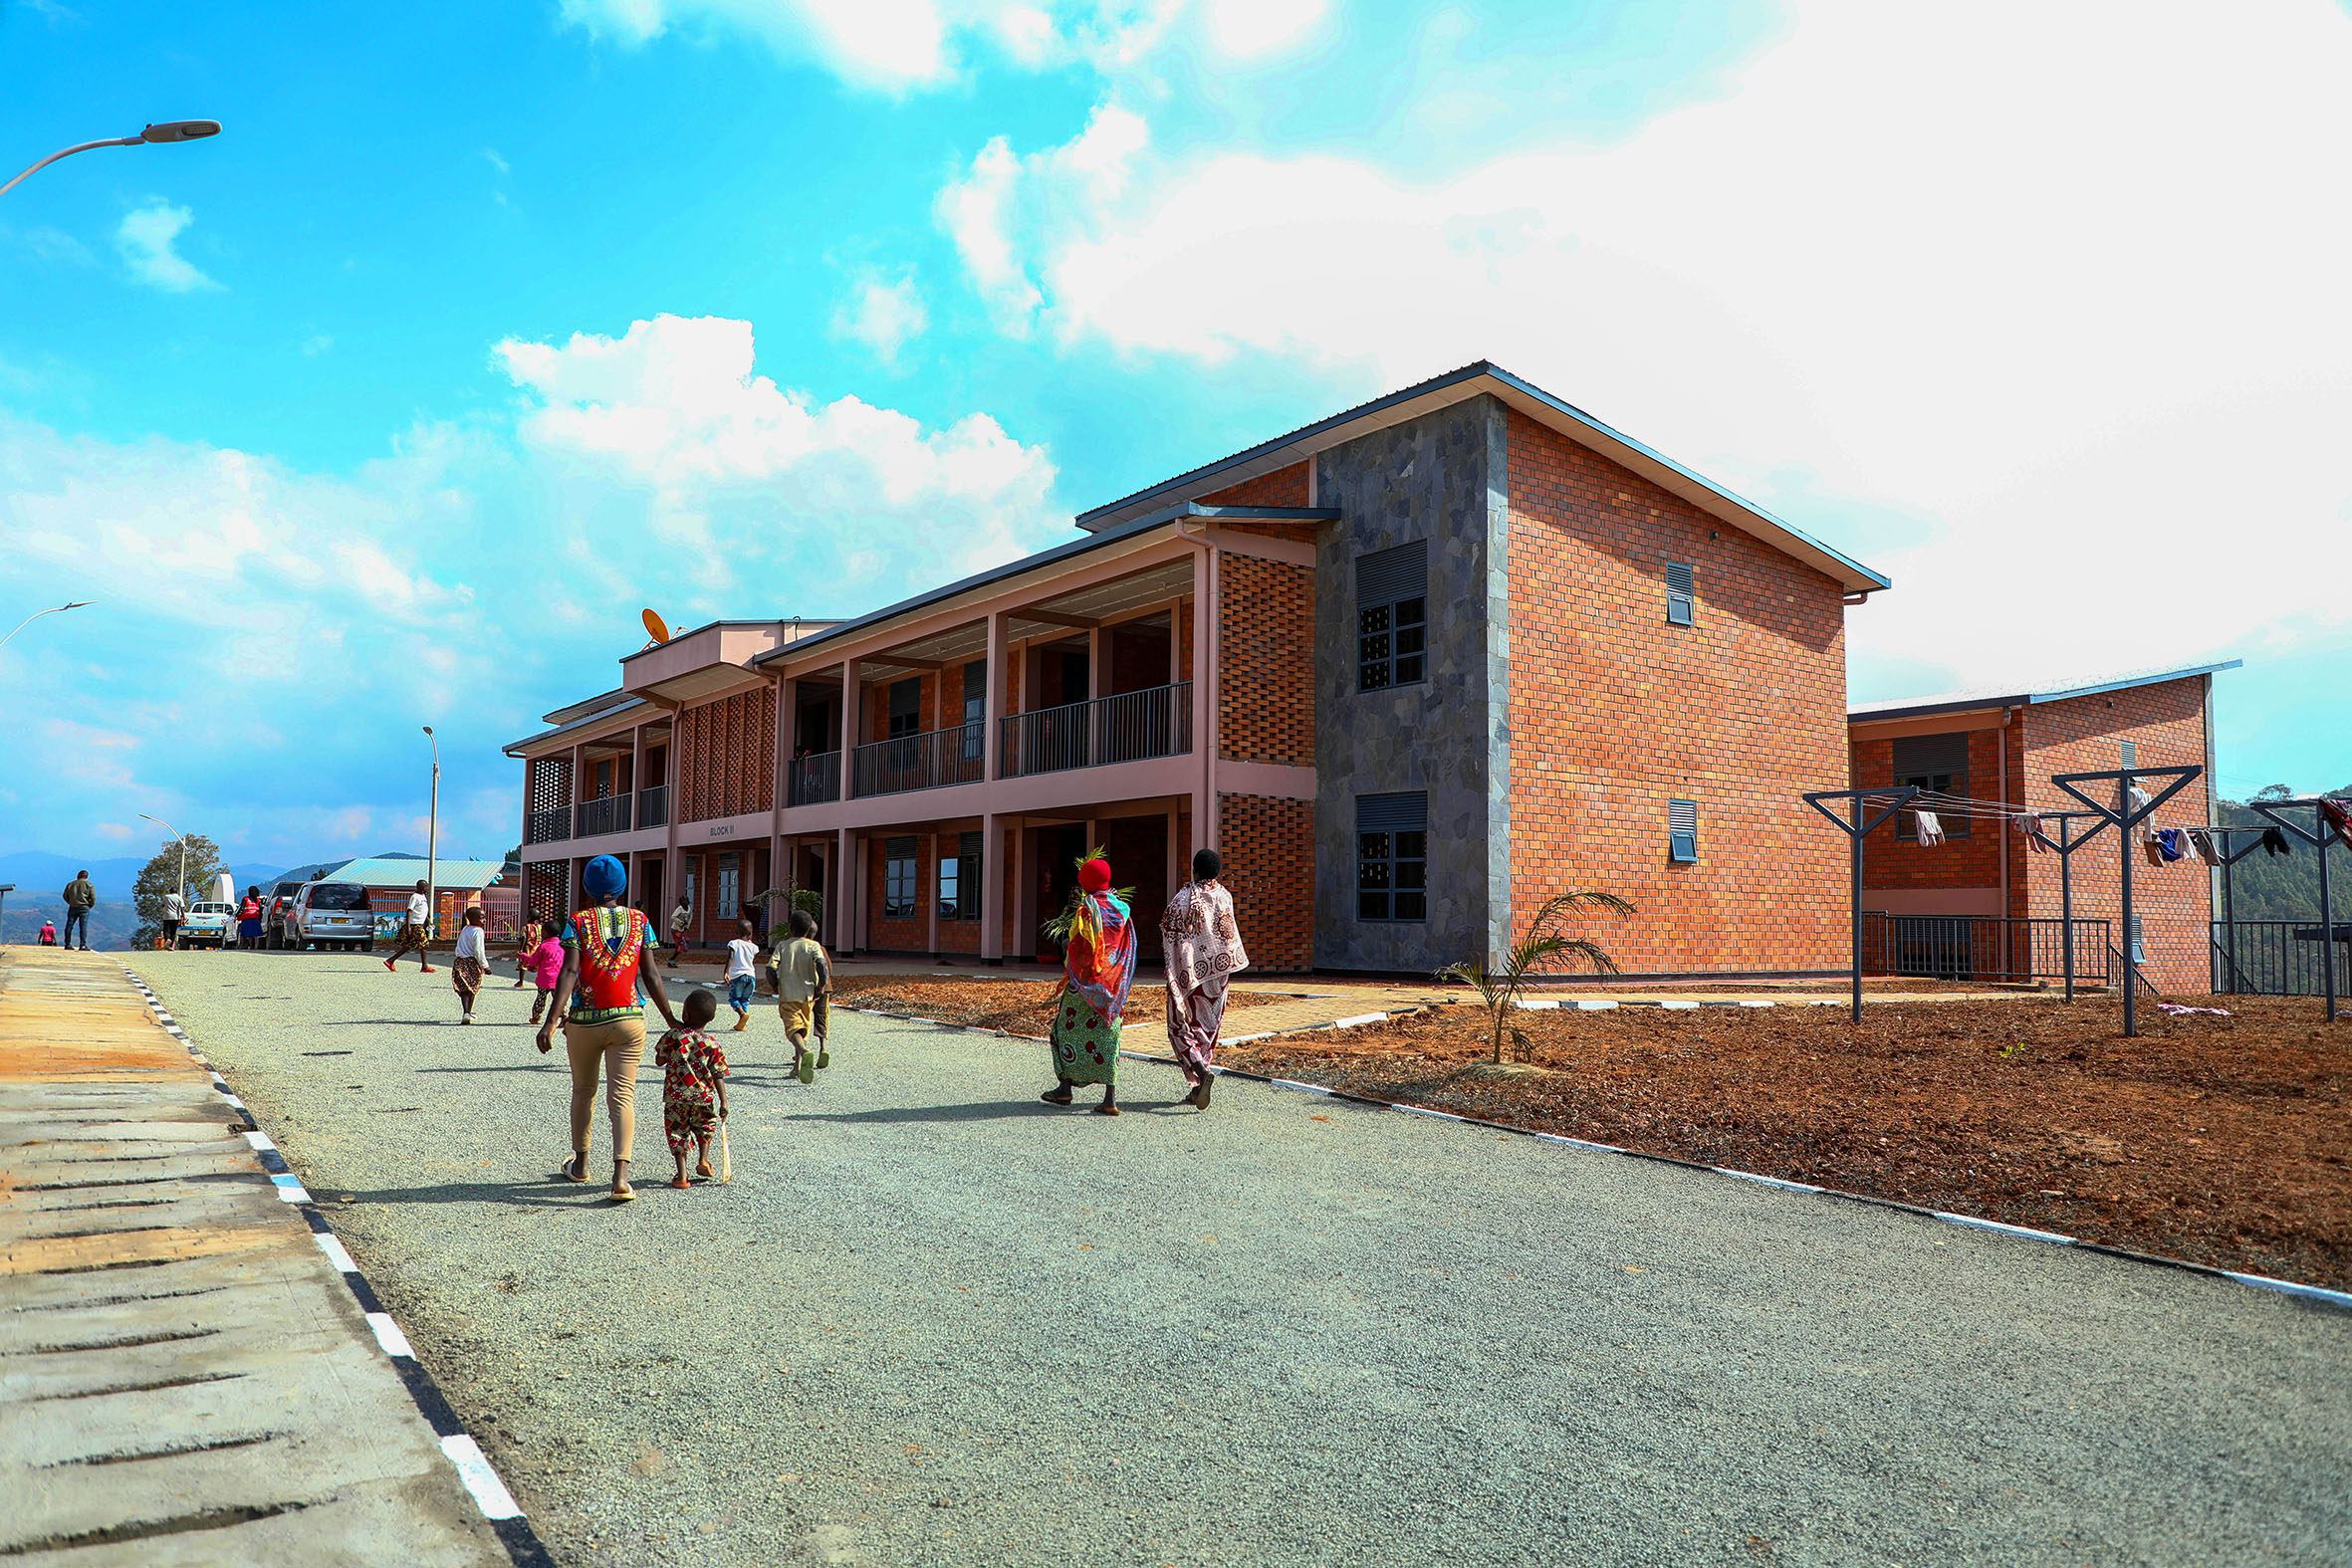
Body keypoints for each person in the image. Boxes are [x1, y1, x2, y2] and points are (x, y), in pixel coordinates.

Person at [536, 853, 680, 1202]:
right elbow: (651, 975)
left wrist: (551, 1021)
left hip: (585, 1021)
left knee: (584, 1091)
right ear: (622, 886)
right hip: (630, 1020)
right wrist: (671, 1019)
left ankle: (582, 1165)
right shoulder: (640, 920)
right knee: (623, 1096)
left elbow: (569, 973)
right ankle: (620, 1177)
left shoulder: (578, 922)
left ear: (587, 887)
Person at [1042, 858, 1137, 1115]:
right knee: (1109, 1036)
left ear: (1084, 882)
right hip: (1112, 986)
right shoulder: (1122, 909)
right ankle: (1110, 1098)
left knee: (1063, 1030)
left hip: (1084, 985)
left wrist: (1065, 948)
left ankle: (1065, 1089)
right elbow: (1125, 947)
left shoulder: (1087, 909)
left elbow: (1080, 946)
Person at [1160, 848, 1250, 1110]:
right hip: (1220, 972)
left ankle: (1200, 1072)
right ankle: (1198, 1088)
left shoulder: (1182, 898)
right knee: (1207, 1029)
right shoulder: (1224, 896)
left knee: (1179, 1027)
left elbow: (1169, 931)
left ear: (1195, 870)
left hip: (1190, 976)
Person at [654, 989, 730, 1189]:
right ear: (711, 1018)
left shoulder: (674, 1036)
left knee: (677, 1132)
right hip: (703, 1096)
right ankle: (703, 1160)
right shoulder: (713, 1045)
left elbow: (659, 1060)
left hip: (675, 1096)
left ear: (685, 1015)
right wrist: (723, 1101)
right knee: (705, 1125)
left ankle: (682, 1175)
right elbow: (718, 1074)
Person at [770, 908, 830, 1085]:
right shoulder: (814, 946)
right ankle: (797, 1067)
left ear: (790, 928)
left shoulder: (782, 945)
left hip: (788, 995)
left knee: (792, 1030)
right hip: (808, 995)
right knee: (803, 1028)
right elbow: (822, 966)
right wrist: (821, 986)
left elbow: (770, 968)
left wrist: (775, 985)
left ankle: (804, 1052)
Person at [383, 880, 436, 973]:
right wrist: (408, 927)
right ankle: (424, 966)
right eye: (426, 887)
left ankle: (390, 961)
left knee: (408, 946)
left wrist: (428, 921)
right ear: (421, 888)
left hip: (419, 923)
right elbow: (409, 911)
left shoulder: (423, 896)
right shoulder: (415, 897)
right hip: (414, 925)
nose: (428, 888)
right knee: (425, 944)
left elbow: (422, 911)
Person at [723, 917, 761, 1032]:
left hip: (738, 976)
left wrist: (726, 972)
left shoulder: (733, 943)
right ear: (750, 933)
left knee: (734, 998)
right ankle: (742, 1024)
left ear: (737, 932)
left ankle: (742, 1014)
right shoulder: (754, 947)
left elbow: (730, 958)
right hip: (751, 976)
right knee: (745, 1000)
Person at [524, 920, 566, 1025]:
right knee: (558, 999)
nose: (541, 933)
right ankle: (564, 1017)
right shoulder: (562, 945)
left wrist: (524, 956)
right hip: (558, 978)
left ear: (547, 933)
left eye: (542, 931)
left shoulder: (543, 946)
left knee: (541, 998)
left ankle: (536, 1018)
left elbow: (534, 962)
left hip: (544, 978)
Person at [451, 906, 488, 1024]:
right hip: (472, 962)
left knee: (464, 989)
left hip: (460, 962)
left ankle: (466, 1012)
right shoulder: (478, 931)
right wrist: (485, 965)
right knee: (472, 988)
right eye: (481, 918)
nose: (484, 920)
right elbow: (478, 950)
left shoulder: (465, 929)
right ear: (473, 918)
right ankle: (468, 1012)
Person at [61, 870, 96, 951]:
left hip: (73, 906)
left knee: (69, 925)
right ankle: (83, 945)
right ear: (86, 876)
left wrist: (70, 902)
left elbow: (65, 895)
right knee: (83, 926)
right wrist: (90, 905)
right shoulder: (89, 885)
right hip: (84, 907)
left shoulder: (70, 884)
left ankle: (67, 944)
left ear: (78, 875)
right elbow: (93, 897)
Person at [511, 915, 541, 989]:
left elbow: (523, 938)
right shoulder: (539, 926)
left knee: (523, 964)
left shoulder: (526, 927)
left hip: (528, 948)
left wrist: (521, 949)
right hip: (537, 948)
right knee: (538, 965)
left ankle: (521, 982)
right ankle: (540, 982)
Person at [237, 887, 264, 953]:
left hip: (247, 918)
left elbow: (241, 908)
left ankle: (244, 945)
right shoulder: (257, 900)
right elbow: (260, 910)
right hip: (255, 918)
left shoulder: (246, 899)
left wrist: (237, 915)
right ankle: (253, 946)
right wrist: (260, 919)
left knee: (244, 932)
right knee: (254, 933)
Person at [669, 896, 692, 963]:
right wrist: (681, 922)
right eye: (683, 901)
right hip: (676, 929)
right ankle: (672, 959)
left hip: (682, 929)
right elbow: (673, 917)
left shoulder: (689, 909)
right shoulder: (679, 909)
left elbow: (690, 918)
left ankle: (672, 959)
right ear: (680, 903)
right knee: (680, 945)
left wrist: (687, 926)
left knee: (682, 944)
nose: (685, 902)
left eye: (686, 900)